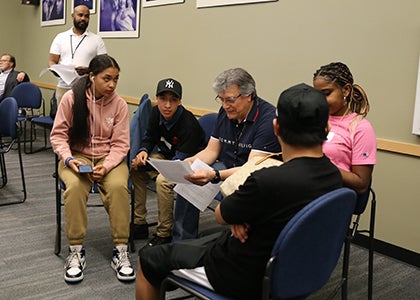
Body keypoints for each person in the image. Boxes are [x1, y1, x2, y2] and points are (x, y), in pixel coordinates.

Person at [135, 83, 343, 300]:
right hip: (297, 269)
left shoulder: (267, 180)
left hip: (241, 274)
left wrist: (243, 214)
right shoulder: (334, 177)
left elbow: (221, 215)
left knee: (148, 259)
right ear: (327, 129)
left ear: (276, 128)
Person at [50, 54, 135, 284]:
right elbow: (58, 136)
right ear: (92, 76)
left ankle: (121, 250)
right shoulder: (71, 99)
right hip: (76, 156)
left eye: (116, 79)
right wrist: (68, 160)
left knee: (118, 187)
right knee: (75, 187)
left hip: (109, 158)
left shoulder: (118, 104)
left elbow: (121, 144)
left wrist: (106, 166)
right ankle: (76, 250)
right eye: (107, 79)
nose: (112, 85)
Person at [172, 67, 281, 241]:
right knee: (189, 179)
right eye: (221, 100)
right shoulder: (226, 112)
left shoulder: (268, 120)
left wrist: (214, 175)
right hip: (225, 169)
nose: (225, 106)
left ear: (249, 95)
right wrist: (185, 164)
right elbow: (211, 151)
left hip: (253, 178)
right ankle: (182, 242)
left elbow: (250, 170)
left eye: (230, 100)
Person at [130, 78, 205, 247]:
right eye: (163, 99)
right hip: (167, 157)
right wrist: (142, 152)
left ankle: (164, 232)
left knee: (163, 181)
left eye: (173, 100)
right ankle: (139, 222)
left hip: (189, 164)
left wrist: (148, 164)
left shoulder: (188, 124)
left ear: (179, 102)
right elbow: (149, 138)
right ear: (157, 99)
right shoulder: (156, 112)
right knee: (135, 168)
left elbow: (178, 163)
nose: (167, 105)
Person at [313, 62, 376, 195]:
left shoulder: (361, 128)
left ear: (346, 90)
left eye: (326, 93)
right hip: (308, 188)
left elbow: (361, 184)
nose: (320, 101)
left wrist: (320, 165)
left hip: (329, 198)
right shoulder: (315, 118)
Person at [48, 0, 107, 103]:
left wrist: (88, 70)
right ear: (72, 16)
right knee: (63, 119)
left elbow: (104, 65)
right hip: (64, 87)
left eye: (87, 16)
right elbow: (52, 61)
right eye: (80, 15)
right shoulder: (60, 37)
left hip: (87, 88)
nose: (83, 18)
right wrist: (58, 71)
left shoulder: (97, 39)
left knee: (85, 119)